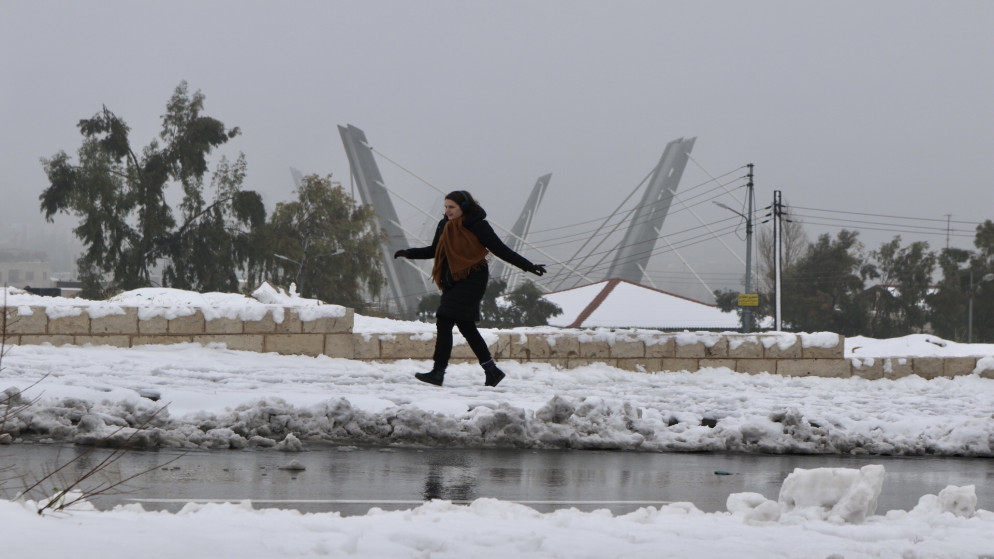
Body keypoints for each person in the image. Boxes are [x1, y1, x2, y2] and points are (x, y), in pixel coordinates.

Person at [394, 191, 547, 387]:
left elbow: (500, 249)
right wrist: (409, 253)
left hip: (472, 280)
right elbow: (434, 250)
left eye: (452, 207)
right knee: (466, 326)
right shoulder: (444, 225)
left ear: (464, 207)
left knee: (444, 318)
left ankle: (438, 372)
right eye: (446, 206)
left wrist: (528, 265)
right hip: (451, 281)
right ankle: (491, 370)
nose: (447, 211)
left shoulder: (477, 225)